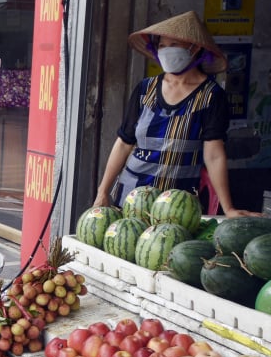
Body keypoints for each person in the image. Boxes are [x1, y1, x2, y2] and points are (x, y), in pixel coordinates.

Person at [91, 11, 257, 218]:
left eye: (173, 45)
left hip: (179, 204)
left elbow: (213, 155)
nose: (166, 51)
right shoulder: (145, 89)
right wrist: (103, 191)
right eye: (161, 46)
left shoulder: (211, 96)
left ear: (194, 48)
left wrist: (229, 208)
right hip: (131, 197)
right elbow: (124, 143)